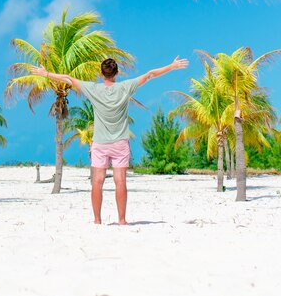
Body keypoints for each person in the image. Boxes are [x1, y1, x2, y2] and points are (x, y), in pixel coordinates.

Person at [30, 56, 189, 225]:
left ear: (101, 73)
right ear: (117, 73)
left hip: (100, 143)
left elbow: (68, 78)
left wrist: (45, 73)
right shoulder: (125, 87)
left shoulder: (93, 89)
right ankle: (122, 220)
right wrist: (171, 66)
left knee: (97, 182)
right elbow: (150, 74)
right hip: (120, 142)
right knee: (120, 181)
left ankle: (97, 220)